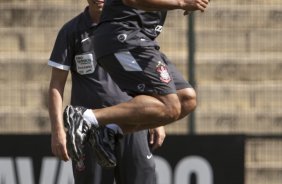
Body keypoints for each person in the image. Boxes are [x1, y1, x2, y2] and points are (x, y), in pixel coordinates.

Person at [63, 0, 203, 167]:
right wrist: (180, 3)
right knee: (170, 106)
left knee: (186, 99)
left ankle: (109, 131)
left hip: (140, 43)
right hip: (123, 40)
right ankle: (86, 117)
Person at [48, 0, 166, 183]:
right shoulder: (71, 31)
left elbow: (146, 73)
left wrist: (156, 117)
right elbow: (56, 84)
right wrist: (57, 130)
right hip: (90, 129)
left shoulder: (129, 26)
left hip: (132, 122)